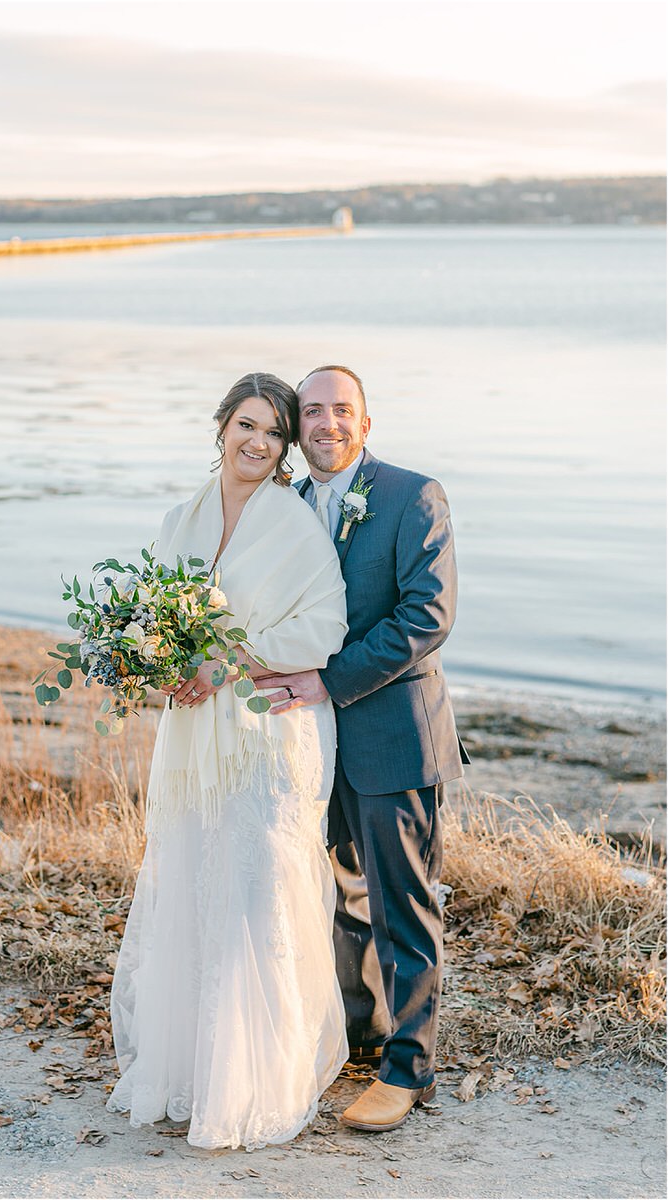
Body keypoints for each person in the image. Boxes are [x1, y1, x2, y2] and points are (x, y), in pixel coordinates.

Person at [105, 373, 349, 1151]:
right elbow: (152, 616)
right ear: (220, 428)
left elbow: (326, 626)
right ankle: (190, 1073)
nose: (260, 442)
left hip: (266, 731)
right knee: (191, 881)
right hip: (193, 730)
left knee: (253, 896)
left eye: (275, 433)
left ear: (283, 450)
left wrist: (233, 659)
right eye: (248, 425)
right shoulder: (180, 519)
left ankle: (257, 1083)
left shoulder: (295, 523)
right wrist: (160, 666)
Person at [259, 364, 469, 1133]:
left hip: (391, 735)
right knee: (340, 898)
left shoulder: (414, 496)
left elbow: (428, 616)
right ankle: (359, 1034)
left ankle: (409, 1070)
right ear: (296, 426)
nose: (326, 424)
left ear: (365, 423)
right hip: (313, 744)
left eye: (341, 411)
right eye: (311, 412)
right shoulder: (285, 505)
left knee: (402, 904)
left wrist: (326, 679)